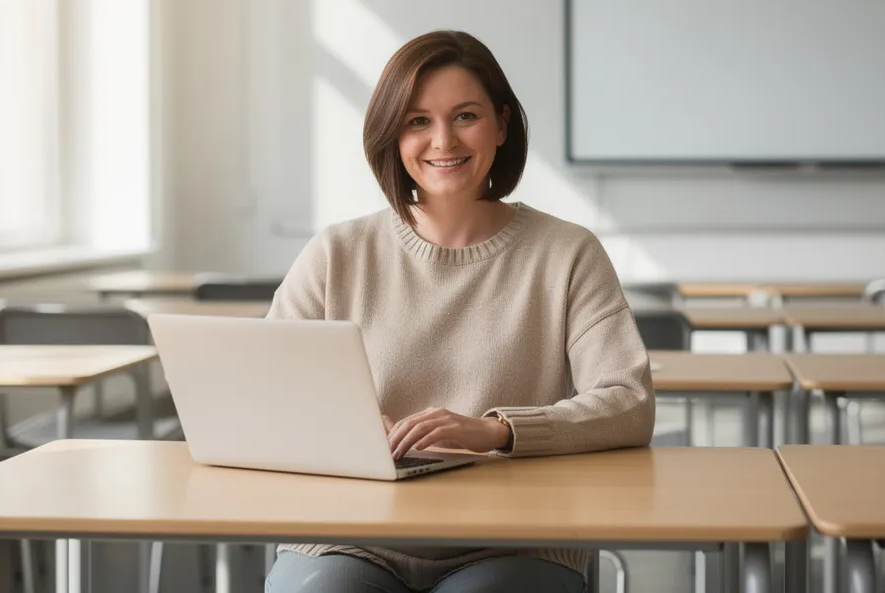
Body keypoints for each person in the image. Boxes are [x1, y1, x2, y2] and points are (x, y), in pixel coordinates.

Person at [264, 29, 655, 593]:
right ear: (392, 136)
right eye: (418, 121)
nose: (442, 140)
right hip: (351, 532)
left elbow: (629, 401)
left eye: (465, 116)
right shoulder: (337, 252)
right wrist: (340, 426)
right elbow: (266, 388)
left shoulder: (567, 252)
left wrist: (497, 430)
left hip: (516, 536)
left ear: (501, 124)